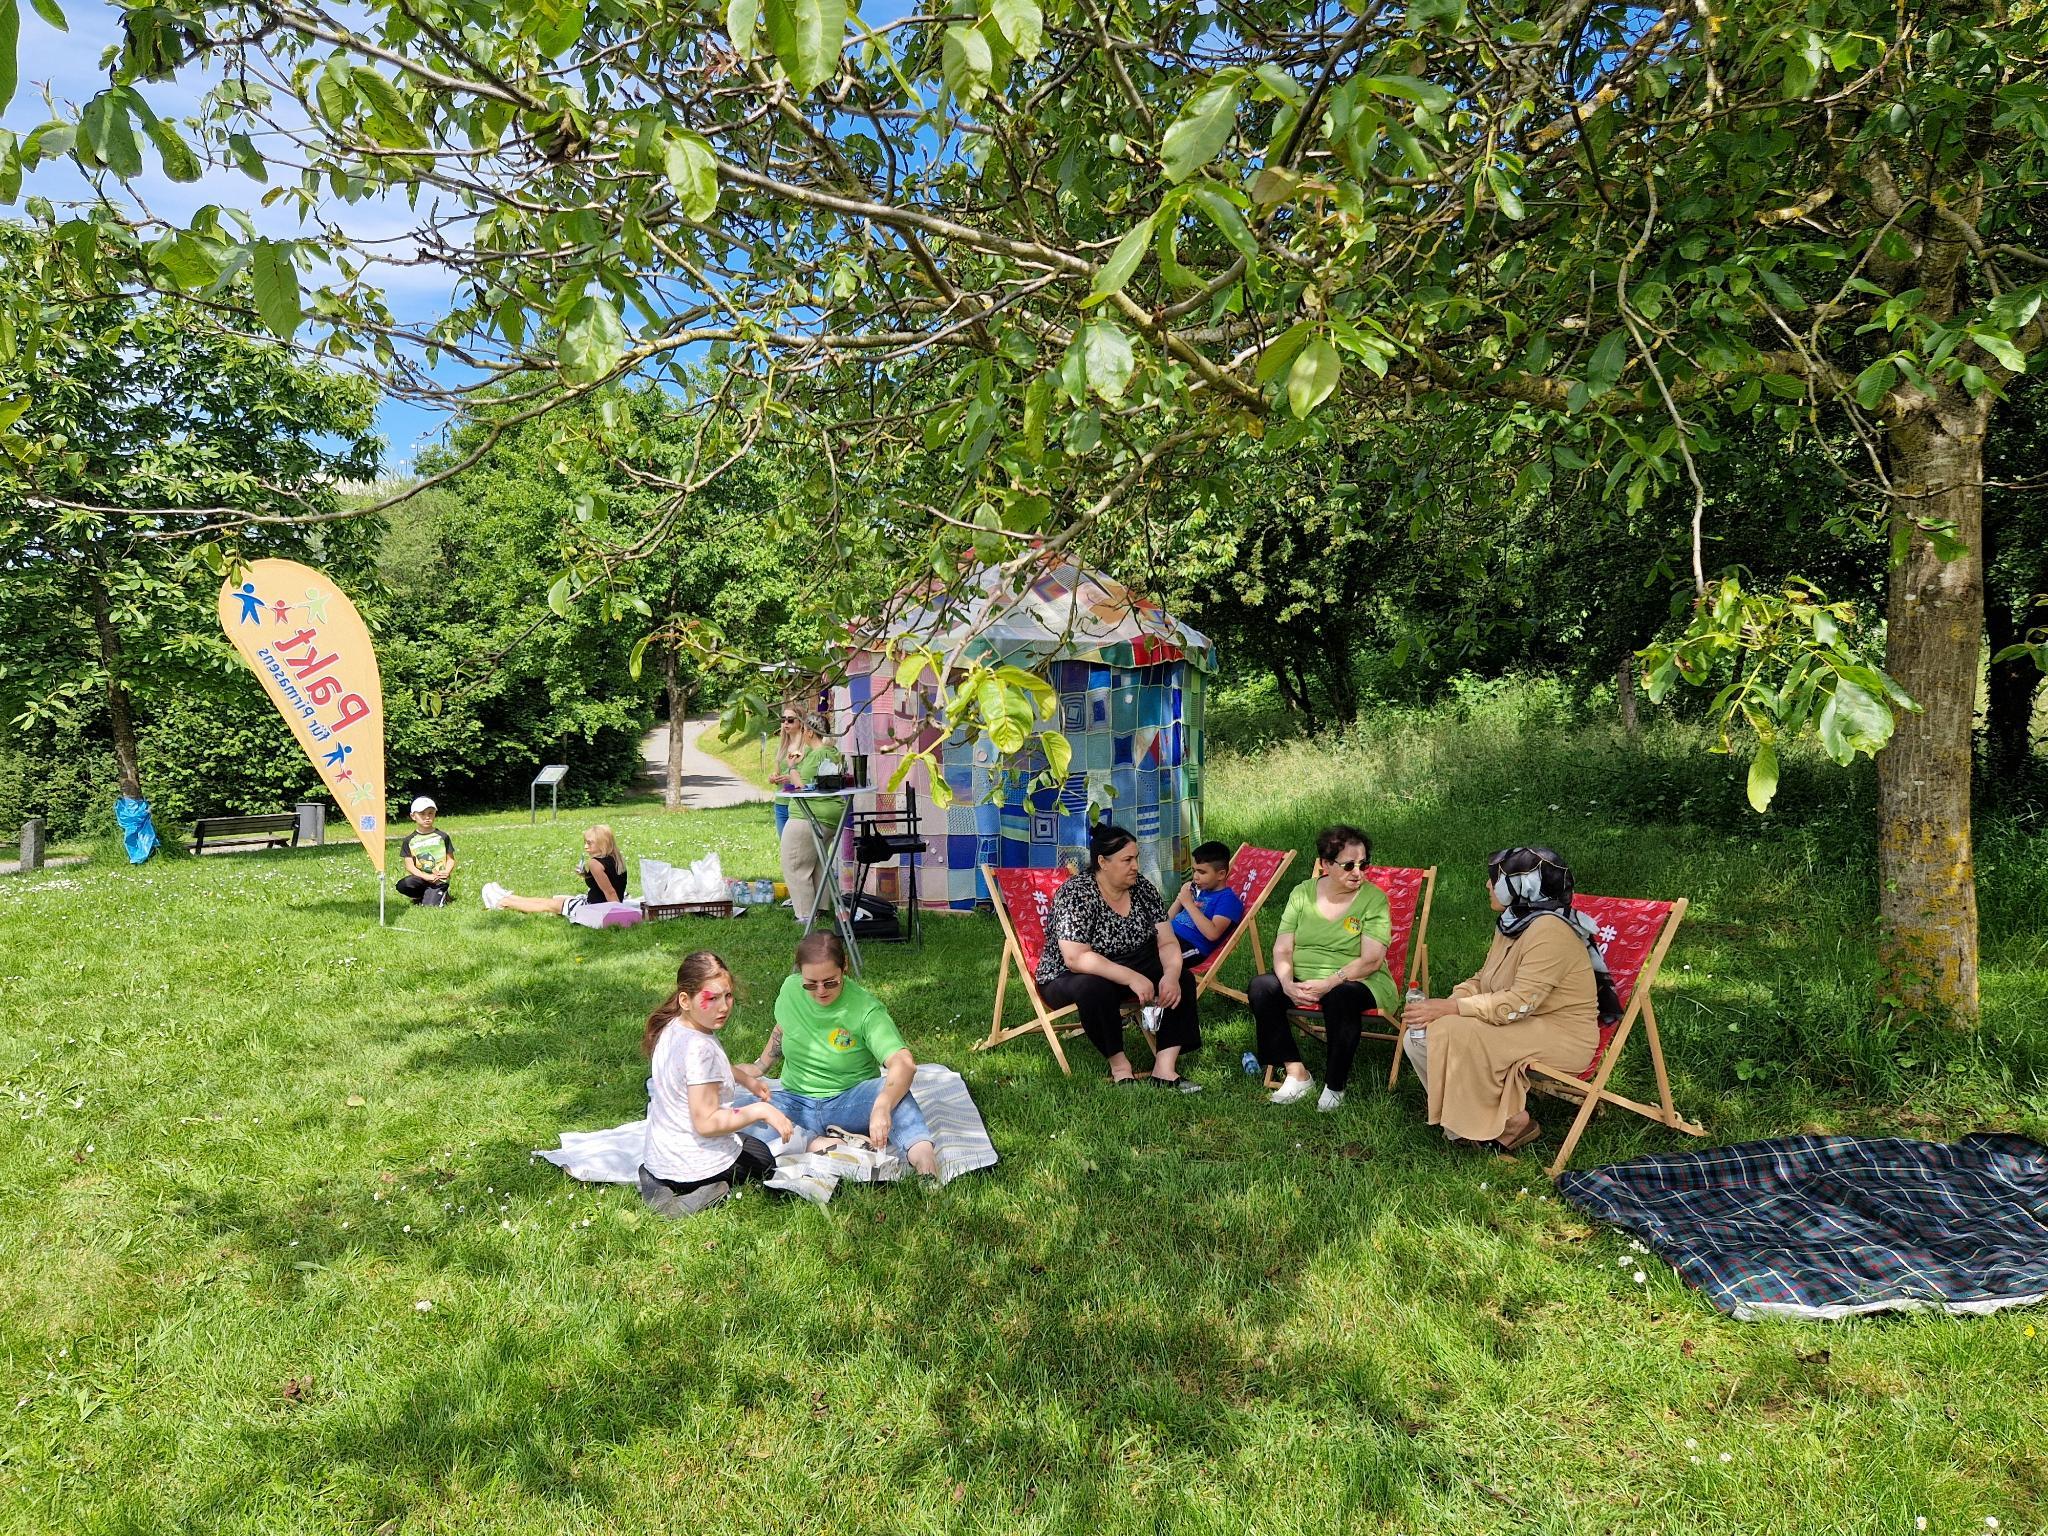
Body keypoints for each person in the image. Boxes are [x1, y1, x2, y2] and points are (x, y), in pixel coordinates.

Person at [1401, 846, 1614, 1155]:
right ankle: (1468, 1123)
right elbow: (1482, 980)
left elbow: (1520, 1003)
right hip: (1525, 1021)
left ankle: (1511, 1124)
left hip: (1561, 1034)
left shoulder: (1550, 931)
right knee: (1419, 1036)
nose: (1488, 885)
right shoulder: (1515, 921)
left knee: (1456, 1031)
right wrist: (1452, 1003)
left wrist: (1452, 1009)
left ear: (1523, 887)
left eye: (1495, 879)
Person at [744, 932, 941, 1175]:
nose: (820, 991)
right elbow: (784, 1026)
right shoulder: (790, 990)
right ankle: (819, 1143)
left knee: (895, 1095)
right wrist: (761, 1065)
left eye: (830, 982)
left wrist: (882, 1105)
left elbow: (904, 1063)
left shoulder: (866, 1009)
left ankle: (923, 1160)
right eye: (810, 983)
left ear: (844, 967)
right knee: (734, 1113)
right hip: (795, 1100)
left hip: (849, 1101)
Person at [1034, 822, 1204, 1091]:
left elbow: (1168, 942)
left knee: (1181, 978)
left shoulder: (1143, 889)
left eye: (1136, 858)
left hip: (1132, 960)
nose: (1135, 865)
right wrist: (1131, 977)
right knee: (1094, 987)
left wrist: (1169, 975)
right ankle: (1121, 1068)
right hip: (1071, 974)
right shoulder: (1076, 893)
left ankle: (1164, 1069)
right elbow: (1076, 958)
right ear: (1102, 861)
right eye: (1127, 859)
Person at [1247, 824, 1399, 1112]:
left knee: (1340, 996)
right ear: (1326, 864)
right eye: (1349, 865)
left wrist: (1329, 982)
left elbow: (1371, 960)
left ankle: (1334, 1085)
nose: (1359, 872)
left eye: (1364, 864)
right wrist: (1288, 983)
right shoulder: (1303, 893)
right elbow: (1282, 948)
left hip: (1359, 980)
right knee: (1262, 987)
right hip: (1304, 978)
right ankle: (1297, 1073)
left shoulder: (1373, 899)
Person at [639, 951, 798, 1216]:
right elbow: (707, 1123)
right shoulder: (700, 1049)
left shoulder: (672, 1026)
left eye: (727, 996)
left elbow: (700, 1071)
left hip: (659, 1158)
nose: (723, 1007)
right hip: (695, 1164)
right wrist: (761, 1111)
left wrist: (746, 1078)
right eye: (711, 998)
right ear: (685, 1000)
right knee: (762, 1158)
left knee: (744, 1144)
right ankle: (708, 1188)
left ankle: (655, 1182)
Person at [775, 712, 847, 923]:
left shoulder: (815, 755)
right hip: (831, 816)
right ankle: (821, 906)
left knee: (795, 864)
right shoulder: (832, 753)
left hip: (810, 816)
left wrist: (792, 767)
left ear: (809, 732)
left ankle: (806, 914)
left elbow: (802, 786)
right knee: (816, 862)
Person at [479, 825, 629, 919]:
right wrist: (585, 874)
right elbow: (612, 884)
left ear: (602, 843)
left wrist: (617, 915)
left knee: (547, 904)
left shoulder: (595, 863)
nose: (585, 847)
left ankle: (503, 902)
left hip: (594, 908)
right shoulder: (616, 858)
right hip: (599, 904)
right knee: (552, 900)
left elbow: (610, 892)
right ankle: (508, 897)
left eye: (589, 843)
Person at [1166, 840, 1244, 965]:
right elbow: (1166, 920)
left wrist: (1188, 904)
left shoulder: (1228, 900)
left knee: (1152, 963)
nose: (1196, 876)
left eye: (1202, 872)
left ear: (1221, 874)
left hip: (1190, 946)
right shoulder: (1200, 890)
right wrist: (1180, 899)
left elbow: (1213, 934)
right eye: (1194, 870)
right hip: (1169, 935)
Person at [396, 796, 458, 904]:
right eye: (422, 814)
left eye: (430, 813)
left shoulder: (443, 837)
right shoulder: (409, 840)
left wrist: (446, 872)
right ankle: (420, 895)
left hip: (439, 880)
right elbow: (409, 865)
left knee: (430, 907)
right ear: (413, 816)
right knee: (403, 885)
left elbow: (451, 859)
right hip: (421, 878)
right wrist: (425, 876)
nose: (427, 817)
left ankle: (442, 894)